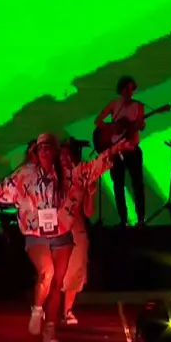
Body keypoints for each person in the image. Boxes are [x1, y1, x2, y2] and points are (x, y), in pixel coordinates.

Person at [0, 133, 130, 342]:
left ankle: (49, 328)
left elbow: (92, 168)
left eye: (49, 147)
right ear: (36, 151)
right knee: (46, 272)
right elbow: (3, 190)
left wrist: (114, 150)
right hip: (36, 234)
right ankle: (37, 308)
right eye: (41, 147)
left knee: (58, 282)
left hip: (61, 233)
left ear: (56, 150)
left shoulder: (68, 173)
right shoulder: (26, 174)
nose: (45, 151)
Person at [59, 138, 103, 325]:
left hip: (77, 231)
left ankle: (67, 311)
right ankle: (47, 308)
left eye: (67, 156)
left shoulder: (81, 178)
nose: (64, 159)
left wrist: (90, 193)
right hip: (57, 229)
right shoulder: (54, 178)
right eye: (61, 156)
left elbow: (89, 212)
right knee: (54, 271)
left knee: (75, 271)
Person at [94, 76, 146, 227]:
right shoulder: (114, 105)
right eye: (126, 89)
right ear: (121, 90)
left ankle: (140, 220)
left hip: (132, 149)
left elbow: (141, 125)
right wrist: (112, 127)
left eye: (132, 89)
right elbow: (98, 121)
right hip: (116, 151)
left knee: (137, 185)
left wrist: (139, 125)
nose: (129, 92)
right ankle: (123, 220)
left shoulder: (139, 106)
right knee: (118, 186)